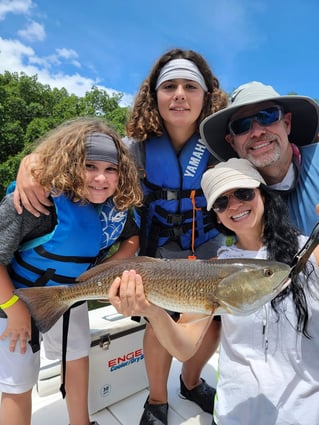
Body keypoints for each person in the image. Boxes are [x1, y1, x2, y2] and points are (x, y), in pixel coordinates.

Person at [12, 48, 228, 425]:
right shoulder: (134, 146)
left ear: (206, 95)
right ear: (154, 96)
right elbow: (77, 154)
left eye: (190, 86)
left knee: (214, 321)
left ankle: (191, 384)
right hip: (155, 248)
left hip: (205, 246)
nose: (179, 94)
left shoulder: (220, 143)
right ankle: (157, 402)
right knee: (157, 318)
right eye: (170, 86)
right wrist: (29, 163)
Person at [108, 158, 319, 425]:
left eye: (244, 193)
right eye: (221, 202)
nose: (235, 205)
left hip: (306, 411)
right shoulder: (213, 270)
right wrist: (151, 310)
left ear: (262, 194)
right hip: (235, 412)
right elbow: (183, 348)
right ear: (216, 215)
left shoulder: (310, 252)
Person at [0, 117, 142, 425]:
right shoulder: (36, 203)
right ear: (70, 164)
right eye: (90, 167)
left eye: (110, 170)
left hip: (72, 298)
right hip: (15, 301)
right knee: (18, 382)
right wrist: (13, 310)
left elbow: (132, 237)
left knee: (78, 355)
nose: (100, 179)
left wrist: (104, 270)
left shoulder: (114, 207)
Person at [199, 80, 319, 236]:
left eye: (268, 116)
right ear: (233, 143)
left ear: (287, 123)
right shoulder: (233, 197)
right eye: (241, 125)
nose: (257, 132)